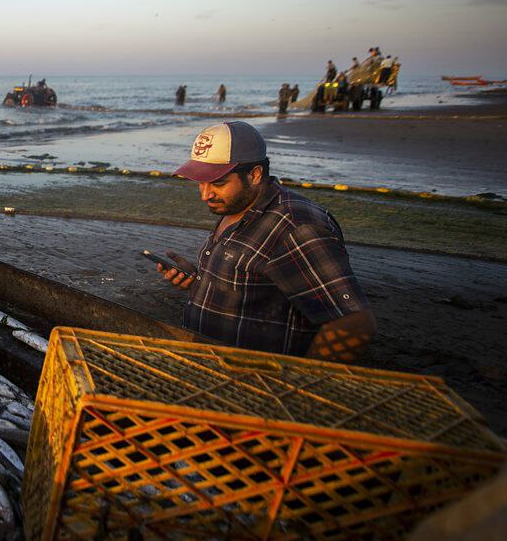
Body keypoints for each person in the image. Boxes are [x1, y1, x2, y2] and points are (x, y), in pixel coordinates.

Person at [155, 121, 376, 362]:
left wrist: (300, 386)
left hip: (258, 376)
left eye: (218, 182)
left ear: (255, 174)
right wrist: (200, 280)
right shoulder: (236, 206)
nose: (205, 194)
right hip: (213, 364)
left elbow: (354, 323)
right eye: (200, 181)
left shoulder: (295, 227)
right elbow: (252, 279)